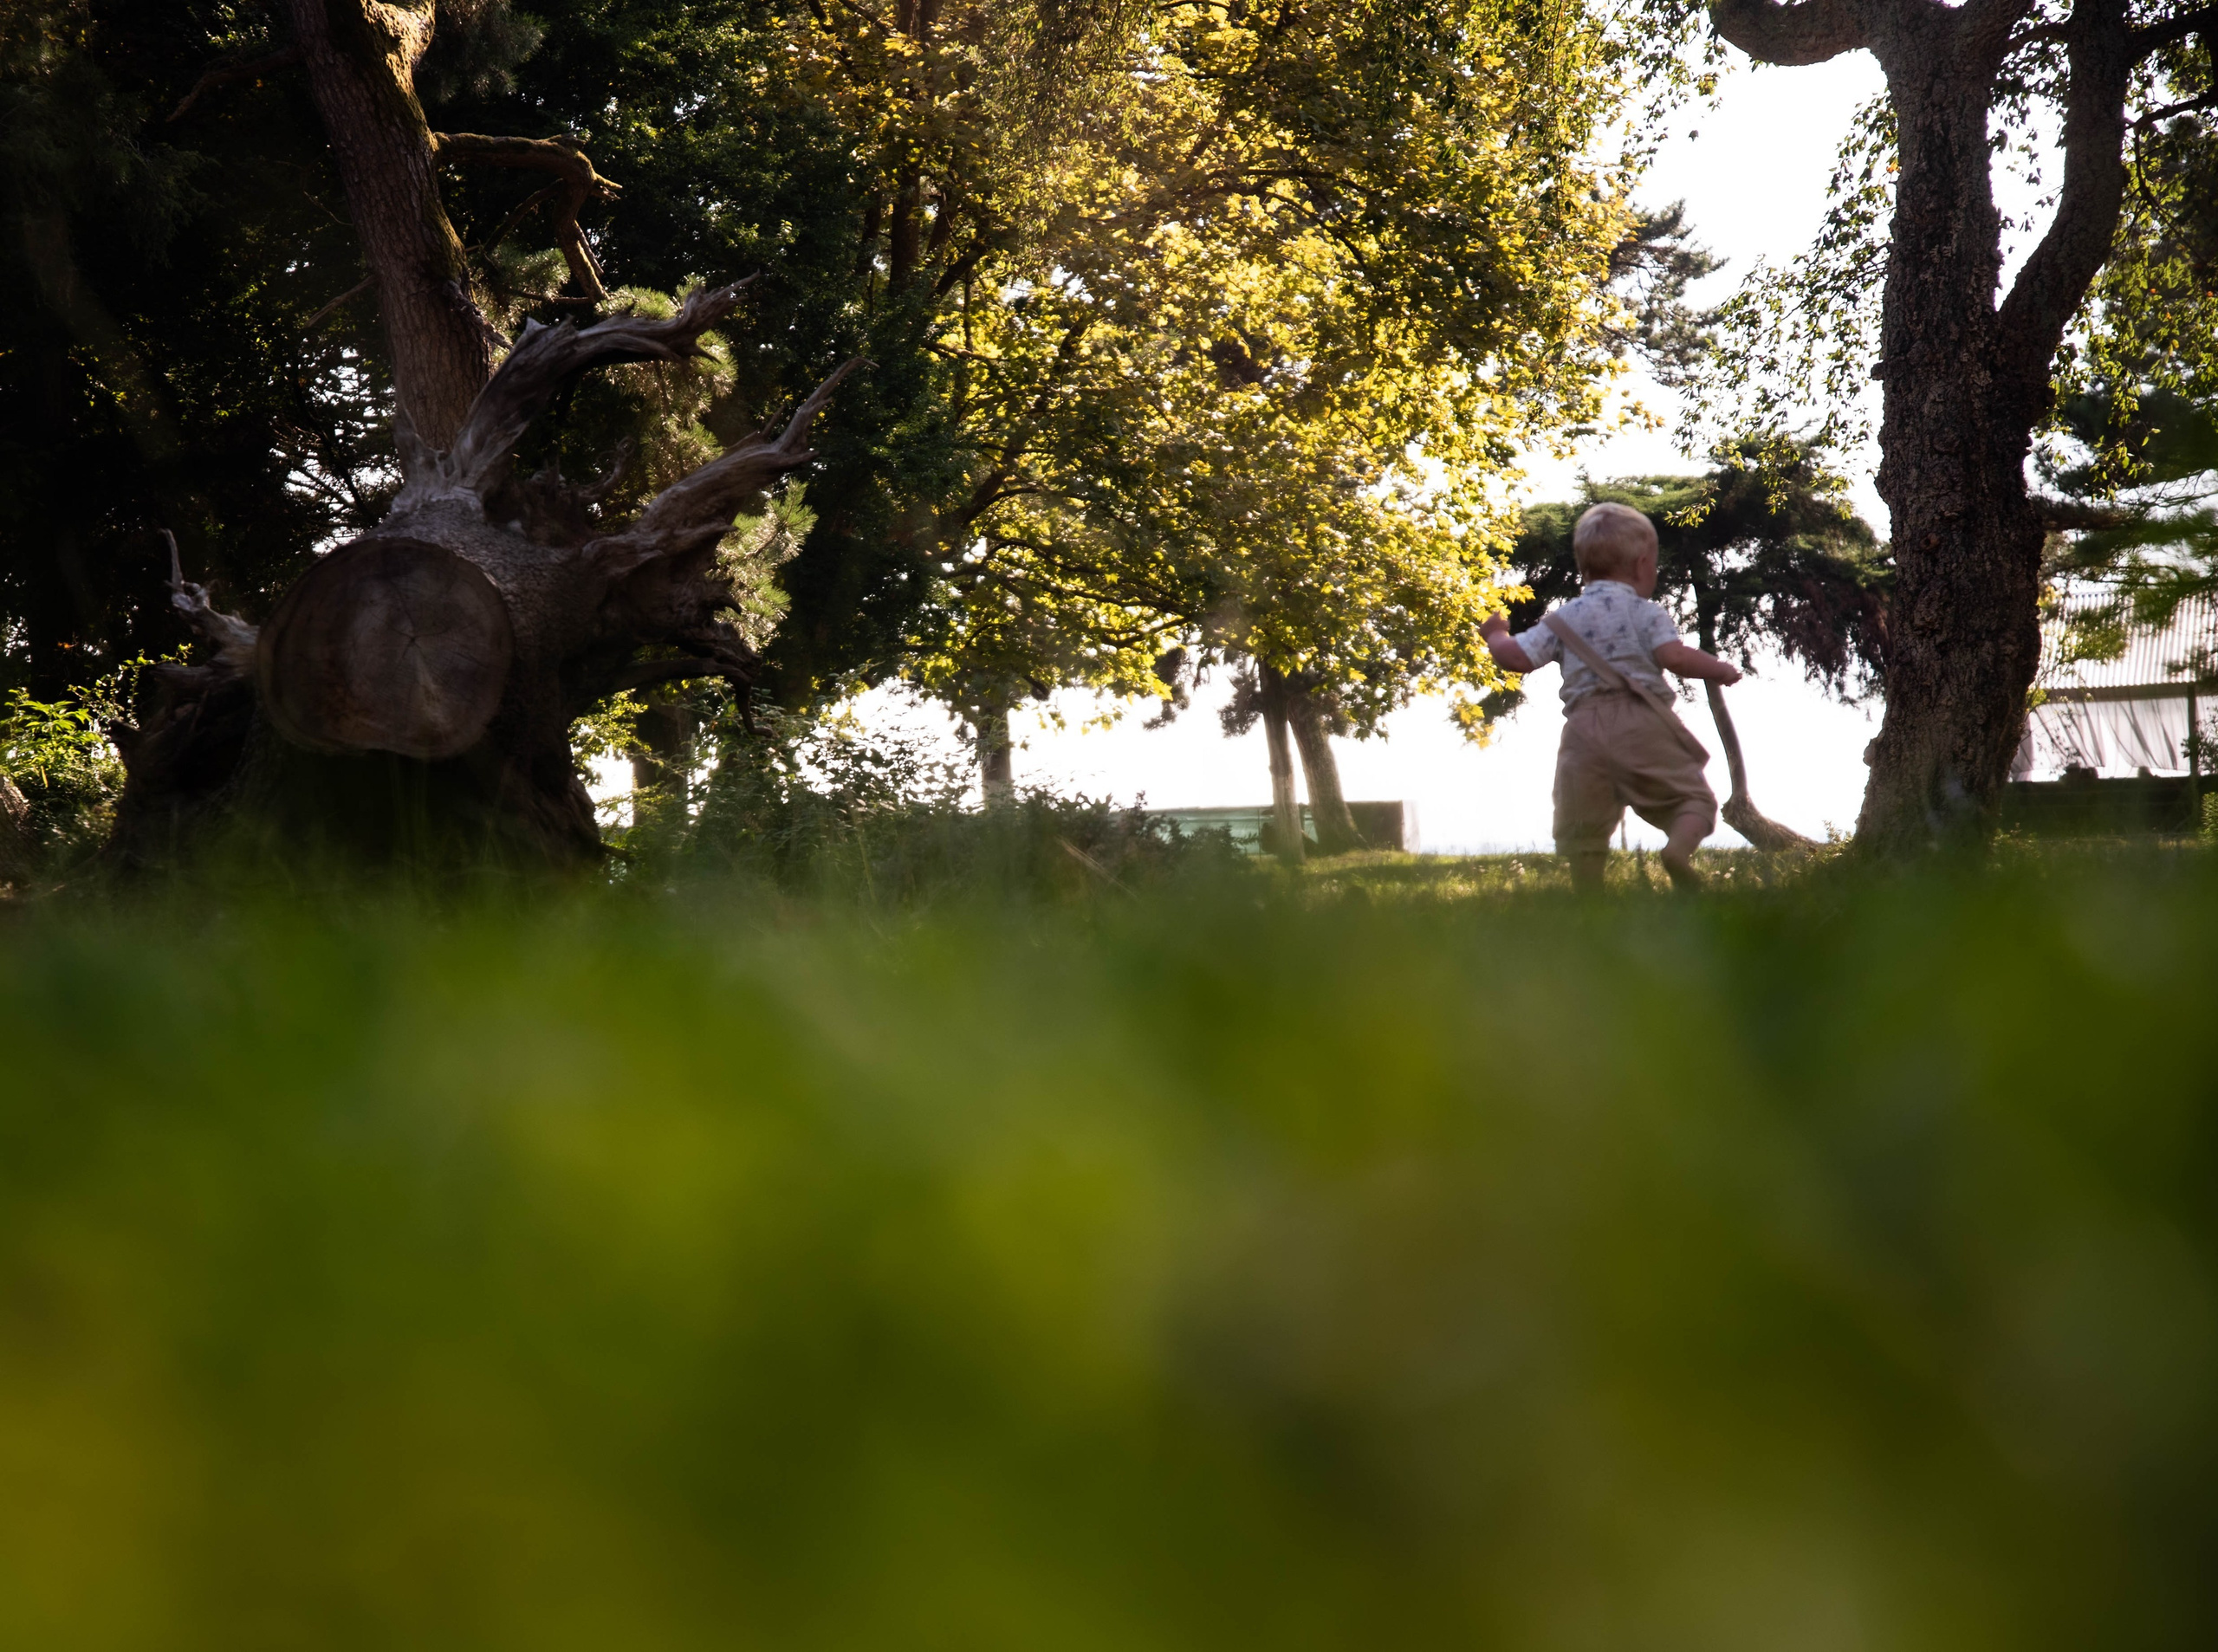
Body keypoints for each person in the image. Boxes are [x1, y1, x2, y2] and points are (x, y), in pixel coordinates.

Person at [1480, 502, 1742, 891]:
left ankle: (1589, 901)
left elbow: (1516, 658)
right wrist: (1719, 668)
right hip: (1643, 723)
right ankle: (1676, 853)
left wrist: (1495, 634)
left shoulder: (1562, 619)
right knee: (1694, 802)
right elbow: (1674, 657)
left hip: (1584, 730)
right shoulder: (1647, 613)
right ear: (1641, 565)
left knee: (1583, 824)